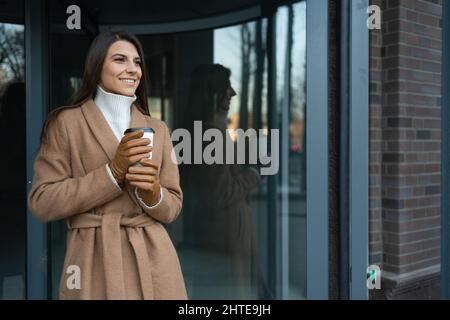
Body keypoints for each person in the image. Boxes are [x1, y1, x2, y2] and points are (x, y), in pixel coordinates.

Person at [27, 31, 187, 300]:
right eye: (120, 59)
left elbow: (172, 207)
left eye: (137, 62)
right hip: (91, 261)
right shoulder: (66, 124)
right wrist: (111, 174)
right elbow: (42, 202)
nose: (132, 69)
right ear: (97, 65)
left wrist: (154, 194)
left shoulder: (158, 129)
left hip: (154, 260)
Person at [180, 64, 269, 299]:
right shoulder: (209, 135)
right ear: (211, 93)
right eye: (225, 87)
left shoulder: (205, 132)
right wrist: (254, 173)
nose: (232, 92)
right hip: (224, 238)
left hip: (222, 235)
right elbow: (219, 193)